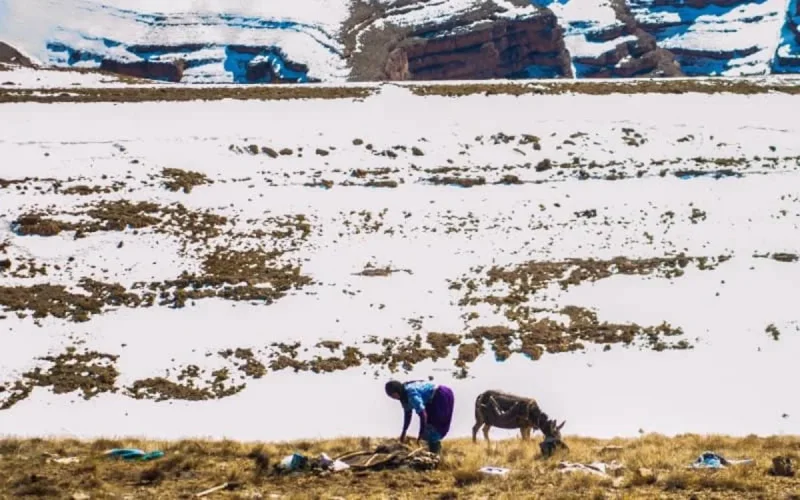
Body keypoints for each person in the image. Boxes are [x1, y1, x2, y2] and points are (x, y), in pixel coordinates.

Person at [385, 379, 454, 454]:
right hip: (430, 401)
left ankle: (435, 454)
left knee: (434, 428)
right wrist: (404, 431)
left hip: (441, 396)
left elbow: (423, 415)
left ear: (397, 391)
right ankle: (432, 450)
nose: (393, 398)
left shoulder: (411, 394)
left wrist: (420, 434)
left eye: (393, 395)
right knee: (428, 430)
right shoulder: (403, 396)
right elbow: (408, 414)